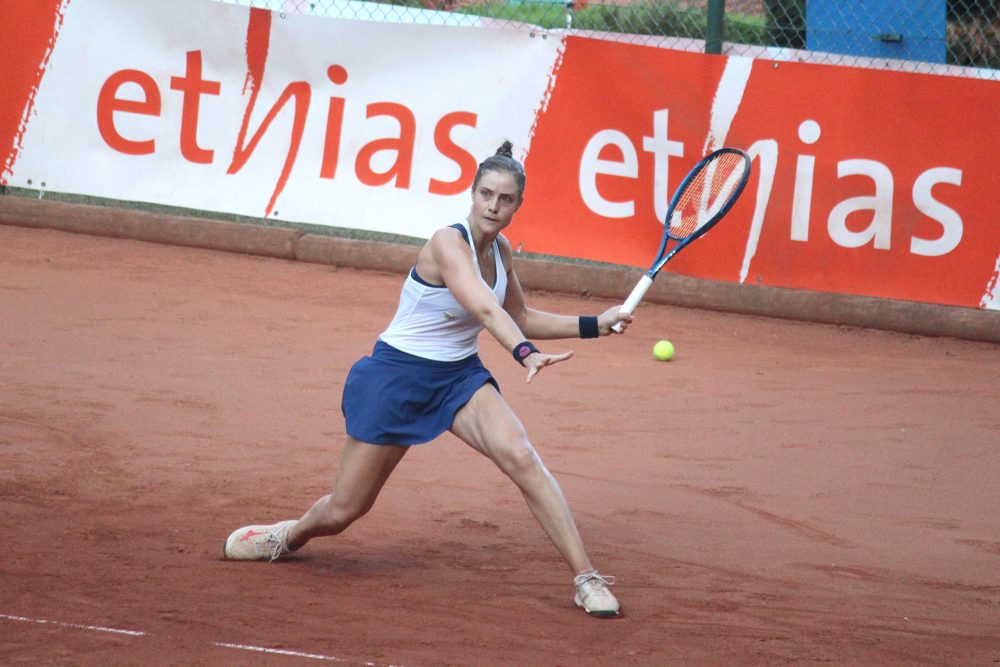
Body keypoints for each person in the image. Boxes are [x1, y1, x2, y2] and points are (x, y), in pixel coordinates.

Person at [223, 141, 632, 618]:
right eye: (486, 194)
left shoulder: (499, 250)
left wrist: (594, 325)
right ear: (472, 193)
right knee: (345, 510)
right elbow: (484, 308)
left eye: (505, 200)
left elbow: (518, 313)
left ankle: (585, 577)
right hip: (397, 377)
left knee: (521, 456)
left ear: (518, 206)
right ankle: (289, 536)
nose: (493, 207)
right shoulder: (446, 242)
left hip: (459, 378)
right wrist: (524, 353)